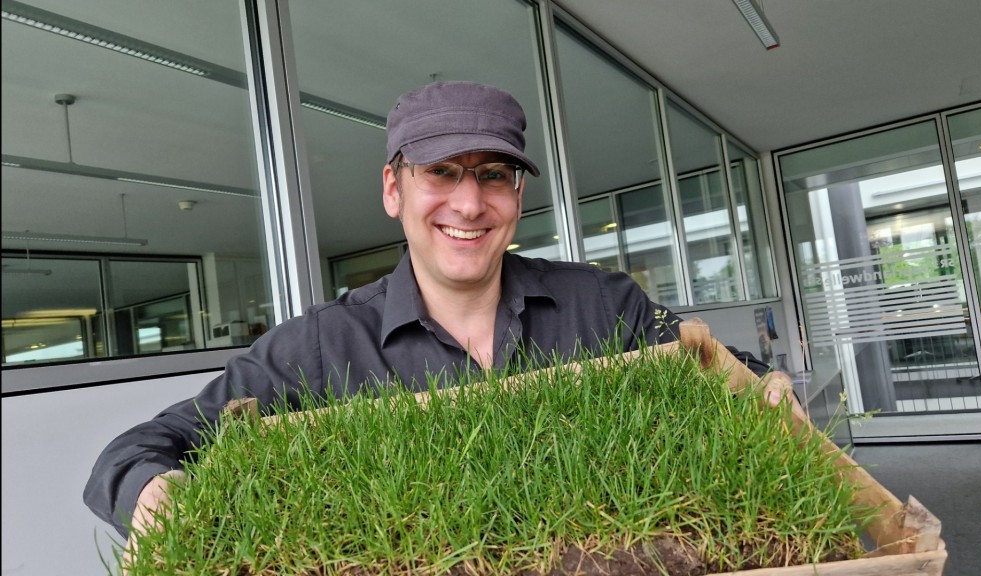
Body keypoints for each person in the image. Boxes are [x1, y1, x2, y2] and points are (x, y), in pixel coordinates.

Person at [84, 81, 792, 547]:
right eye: (442, 172)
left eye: (492, 174)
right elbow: (135, 451)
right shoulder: (319, 348)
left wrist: (765, 390)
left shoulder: (604, 303)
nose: (469, 203)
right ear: (394, 188)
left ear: (516, 194)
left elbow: (725, 377)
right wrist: (155, 488)